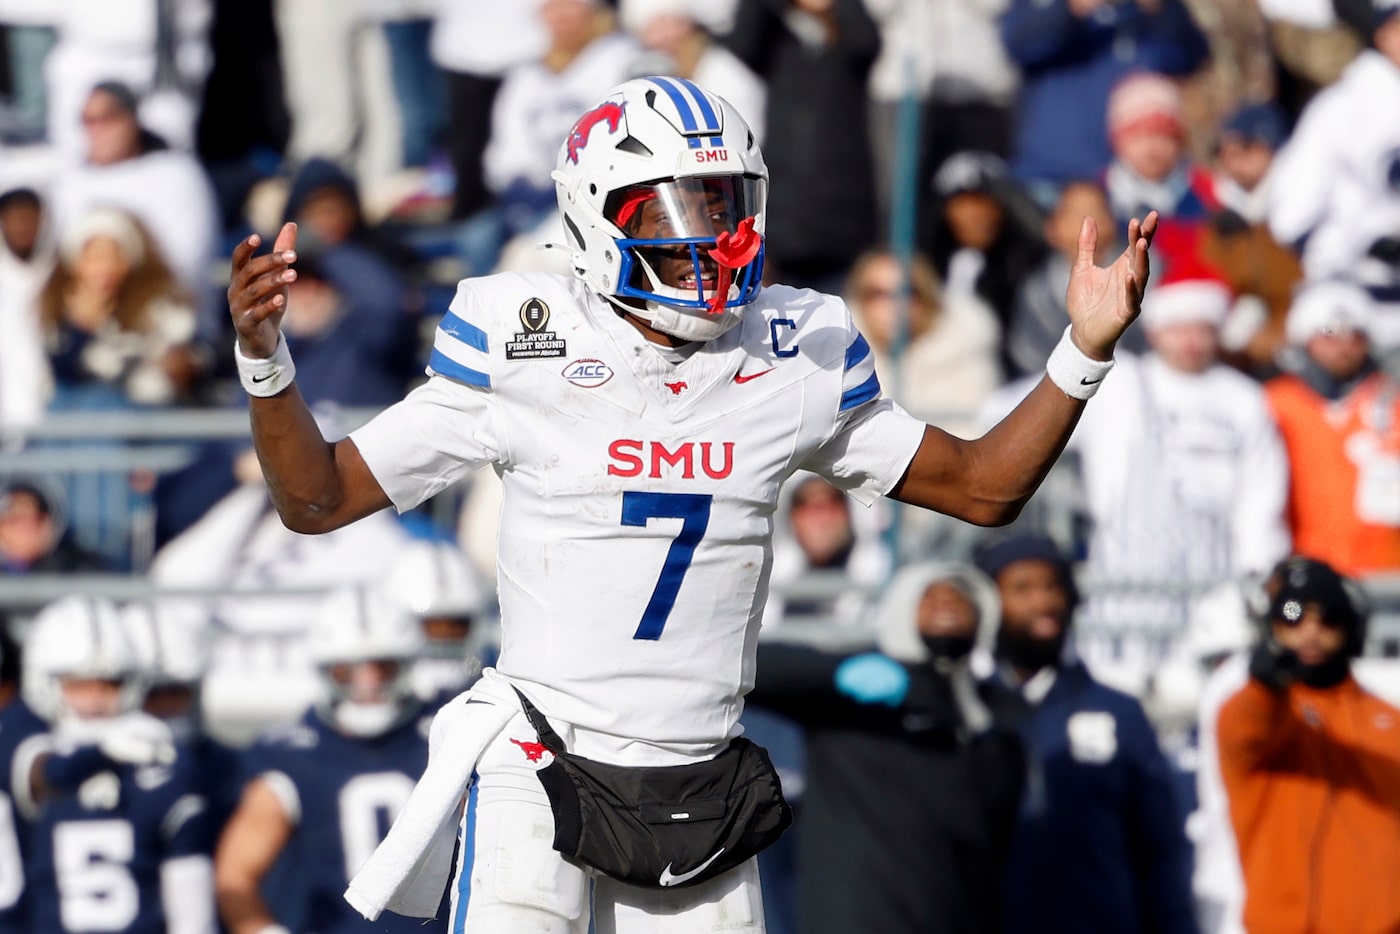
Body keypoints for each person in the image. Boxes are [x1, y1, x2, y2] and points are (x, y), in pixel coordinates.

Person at [225, 76, 1160, 932]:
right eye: (674, 205)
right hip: (538, 751)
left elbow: (984, 487)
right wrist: (267, 363)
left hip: (699, 775)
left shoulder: (795, 353)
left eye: (723, 202)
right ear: (596, 217)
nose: (710, 233)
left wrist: (1080, 353)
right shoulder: (526, 339)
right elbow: (319, 498)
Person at [747, 561, 1024, 934]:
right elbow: (749, 666)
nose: (948, 606)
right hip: (859, 918)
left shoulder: (993, 713)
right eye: (931, 597)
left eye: (961, 599)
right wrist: (835, 674)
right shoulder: (856, 692)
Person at [974, 534, 1197, 934]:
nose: (1043, 602)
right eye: (1021, 588)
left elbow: (1160, 851)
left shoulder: (1120, 713)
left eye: (1052, 586)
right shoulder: (967, 714)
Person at [214, 586, 446, 934]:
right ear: (326, 670)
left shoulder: (447, 730)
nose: (368, 681)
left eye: (382, 666)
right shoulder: (292, 753)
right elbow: (235, 876)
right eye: (348, 670)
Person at [1216, 555, 1400, 933]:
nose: (1310, 631)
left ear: (1351, 626)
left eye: (1328, 617)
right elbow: (1248, 731)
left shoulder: (1388, 722)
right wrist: (1267, 683)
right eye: (1294, 615)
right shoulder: (1257, 710)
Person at [16, 595, 214, 934]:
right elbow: (47, 775)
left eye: (109, 684)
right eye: (78, 684)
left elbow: (189, 896)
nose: (94, 698)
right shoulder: (31, 746)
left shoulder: (162, 761)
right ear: (45, 682)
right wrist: (103, 754)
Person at [1268, 1, 1400, 355]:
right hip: (1351, 302)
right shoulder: (1340, 109)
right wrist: (1347, 244)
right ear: (1383, 32)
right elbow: (1289, 217)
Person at [1264, 280, 1400, 576]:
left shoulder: (1391, 402)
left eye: (1355, 335)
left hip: (1387, 572)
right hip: (1304, 572)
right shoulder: (1275, 403)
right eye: (1328, 333)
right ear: (1306, 338)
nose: (1343, 345)